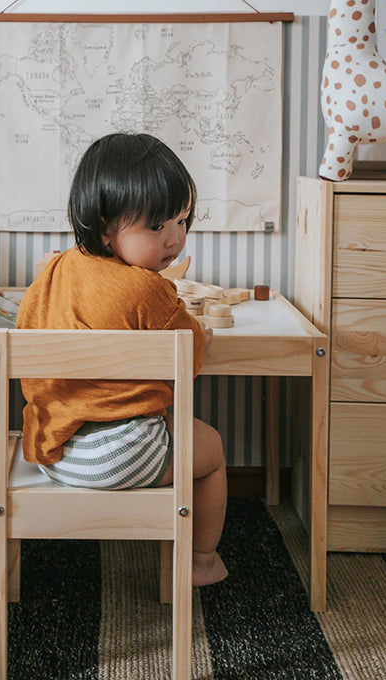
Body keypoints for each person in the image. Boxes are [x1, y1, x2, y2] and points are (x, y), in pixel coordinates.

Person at [17, 132, 228, 586]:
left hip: (54, 452)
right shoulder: (149, 289)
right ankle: (201, 561)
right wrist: (198, 333)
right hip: (123, 453)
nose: (175, 240)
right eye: (157, 226)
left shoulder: (54, 269)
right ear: (106, 224)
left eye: (182, 220)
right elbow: (187, 361)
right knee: (210, 450)